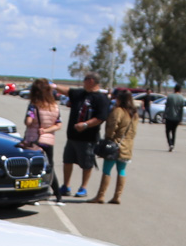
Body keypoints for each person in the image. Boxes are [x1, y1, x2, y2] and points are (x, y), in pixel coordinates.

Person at [59, 72, 110, 200]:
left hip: (88, 138)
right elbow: (67, 91)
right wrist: (52, 86)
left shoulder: (101, 98)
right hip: (72, 136)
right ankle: (66, 185)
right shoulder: (80, 94)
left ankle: (83, 187)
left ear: (91, 81)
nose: (83, 82)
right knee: (67, 161)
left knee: (87, 164)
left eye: (85, 79)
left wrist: (86, 125)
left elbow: (101, 117)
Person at [93, 90, 137, 203]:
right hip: (127, 145)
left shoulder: (118, 111)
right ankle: (117, 196)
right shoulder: (134, 113)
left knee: (107, 170)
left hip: (115, 145)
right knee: (121, 170)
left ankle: (101, 195)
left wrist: (108, 138)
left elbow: (112, 126)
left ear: (120, 99)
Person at [22, 78, 62, 177]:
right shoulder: (54, 106)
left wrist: (29, 117)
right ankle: (54, 185)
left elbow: (28, 122)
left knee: (33, 166)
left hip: (34, 139)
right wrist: (46, 130)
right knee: (49, 166)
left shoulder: (34, 105)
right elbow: (58, 125)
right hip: (48, 141)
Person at [160, 86, 186, 151]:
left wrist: (164, 116)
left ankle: (170, 143)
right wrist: (181, 119)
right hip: (177, 118)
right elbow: (181, 110)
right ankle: (173, 144)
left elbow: (166, 107)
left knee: (167, 131)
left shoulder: (170, 96)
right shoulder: (182, 98)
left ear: (174, 89)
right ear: (180, 90)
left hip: (169, 117)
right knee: (174, 131)